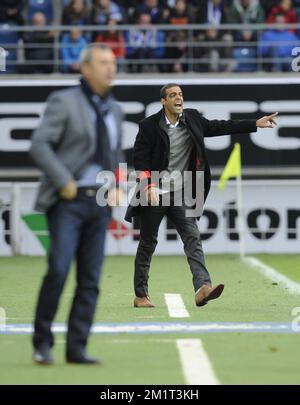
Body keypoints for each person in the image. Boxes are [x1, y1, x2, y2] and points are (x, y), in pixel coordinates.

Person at [125, 83, 278, 308]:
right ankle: (141, 295)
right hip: (154, 192)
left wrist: (255, 123)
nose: (179, 98)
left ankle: (202, 287)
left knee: (192, 237)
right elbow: (140, 159)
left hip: (182, 192)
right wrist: (147, 186)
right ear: (163, 101)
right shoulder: (149, 126)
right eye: (173, 95)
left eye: (180, 94)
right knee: (148, 243)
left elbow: (221, 126)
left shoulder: (193, 118)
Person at [30, 43, 124, 365]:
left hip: (99, 203)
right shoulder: (64, 102)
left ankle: (77, 348)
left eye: (113, 62)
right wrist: (63, 182)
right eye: (102, 63)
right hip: (67, 201)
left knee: (91, 278)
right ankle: (42, 342)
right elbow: (40, 145)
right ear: (85, 69)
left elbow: (115, 154)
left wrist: (119, 184)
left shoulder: (115, 109)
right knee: (58, 269)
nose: (110, 68)